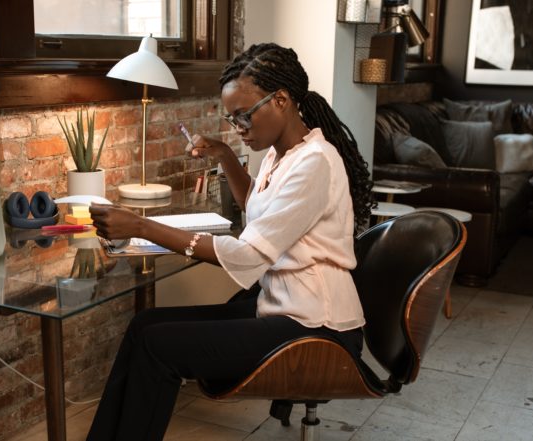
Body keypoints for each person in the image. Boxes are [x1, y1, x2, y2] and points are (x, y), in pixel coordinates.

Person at [86, 42, 374, 441]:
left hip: (317, 326)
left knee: (157, 346)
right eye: (231, 118)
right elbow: (258, 205)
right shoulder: (284, 153)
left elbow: (249, 254)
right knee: (144, 325)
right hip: (285, 308)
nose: (238, 127)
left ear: (282, 100)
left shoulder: (315, 163)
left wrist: (142, 227)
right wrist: (224, 155)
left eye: (243, 116)